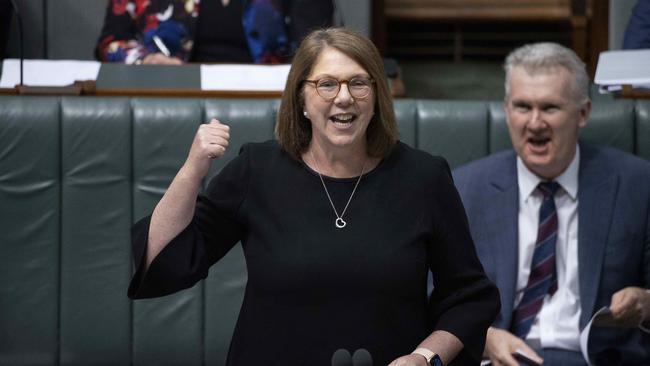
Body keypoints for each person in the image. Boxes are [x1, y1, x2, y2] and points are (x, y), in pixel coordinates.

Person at [127, 27, 500, 366]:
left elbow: (467, 298)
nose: (344, 98)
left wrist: (424, 357)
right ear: (302, 100)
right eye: (326, 84)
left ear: (376, 98)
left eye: (359, 83)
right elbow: (163, 262)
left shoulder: (424, 177)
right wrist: (193, 169)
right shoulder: (257, 169)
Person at [452, 42, 650, 366]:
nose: (534, 123)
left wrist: (646, 304)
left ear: (583, 113)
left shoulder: (637, 184)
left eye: (550, 108)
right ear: (506, 110)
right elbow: (433, 297)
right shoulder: (464, 188)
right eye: (522, 106)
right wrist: (483, 338)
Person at [95, 0, 333, 64]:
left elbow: (318, 42)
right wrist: (145, 60)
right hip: (175, 97)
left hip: (268, 100)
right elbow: (110, 43)